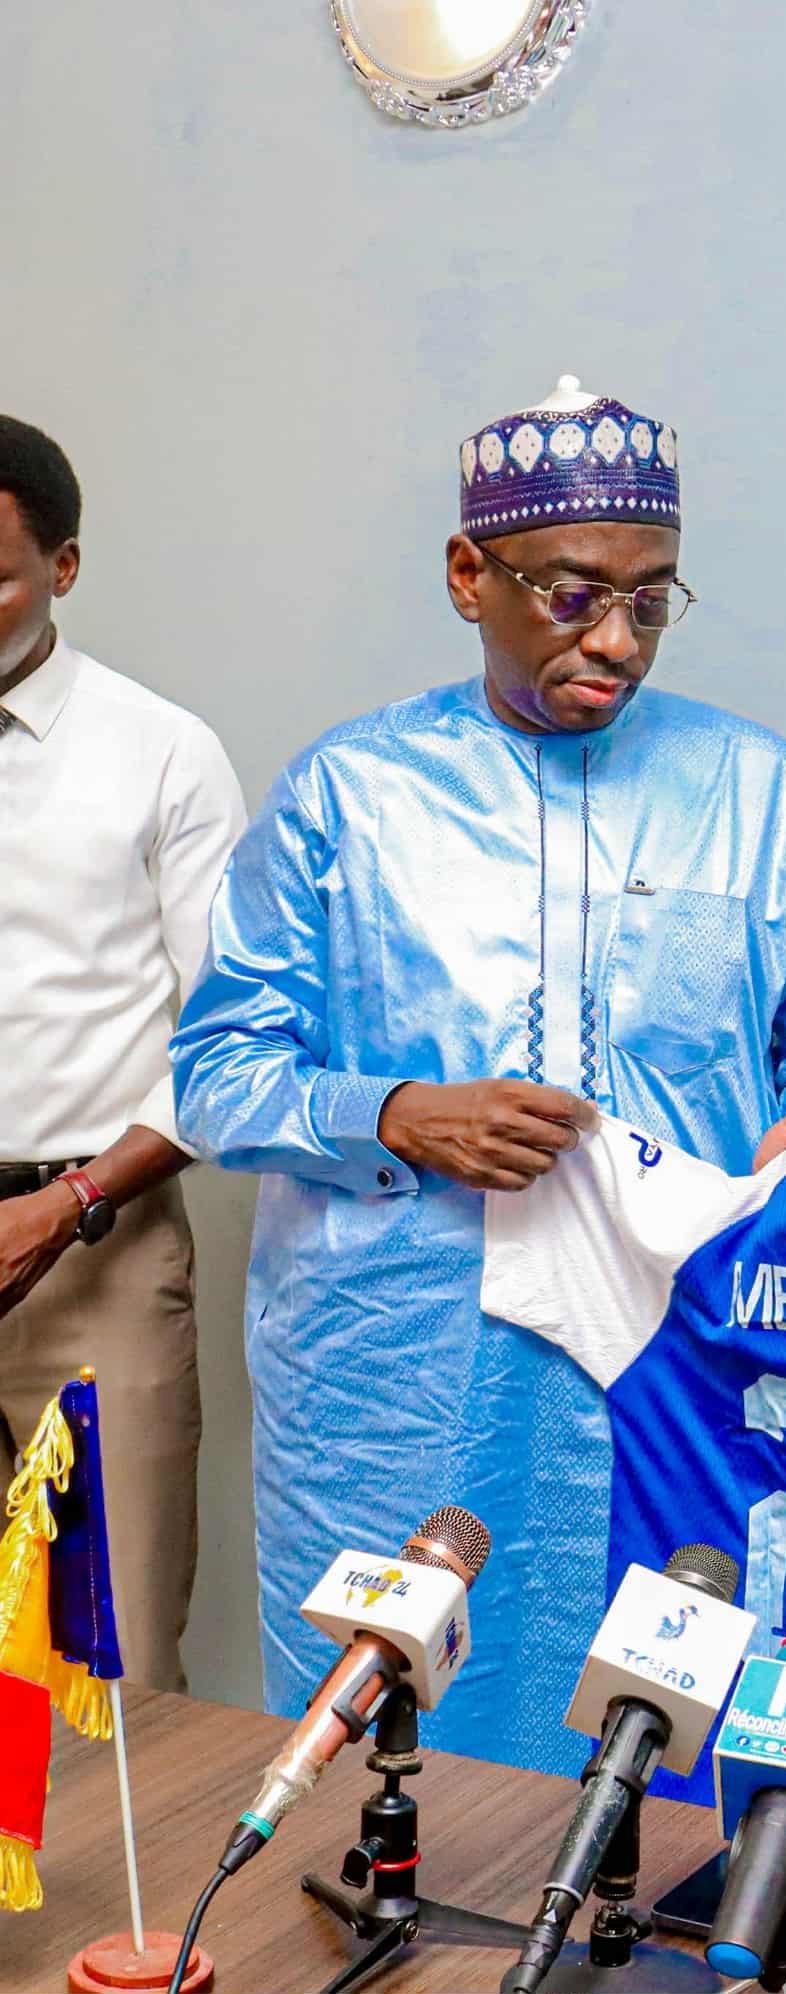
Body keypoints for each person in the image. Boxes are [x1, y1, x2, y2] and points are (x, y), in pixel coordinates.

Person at [172, 376, 786, 1773]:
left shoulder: (755, 788)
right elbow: (218, 1068)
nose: (619, 640)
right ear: (471, 574)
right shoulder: (351, 792)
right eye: (575, 594)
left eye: (652, 600)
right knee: (385, 1735)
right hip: (396, 1368)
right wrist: (396, 1112)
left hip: (671, 1358)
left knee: (659, 1721)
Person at [0, 415, 245, 1690]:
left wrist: (66, 1204)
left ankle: (117, 1907)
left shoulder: (161, 751)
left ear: (66, 568)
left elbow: (233, 1036)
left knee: (110, 1664)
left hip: (93, 1246)